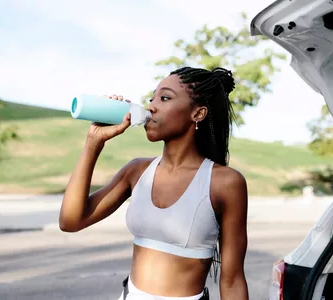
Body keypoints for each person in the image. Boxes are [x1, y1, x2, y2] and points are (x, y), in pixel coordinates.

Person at [59, 66, 249, 300]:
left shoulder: (225, 182)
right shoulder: (137, 171)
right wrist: (93, 142)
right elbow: (71, 221)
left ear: (198, 114)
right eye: (152, 98)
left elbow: (232, 281)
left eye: (165, 98)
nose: (151, 106)